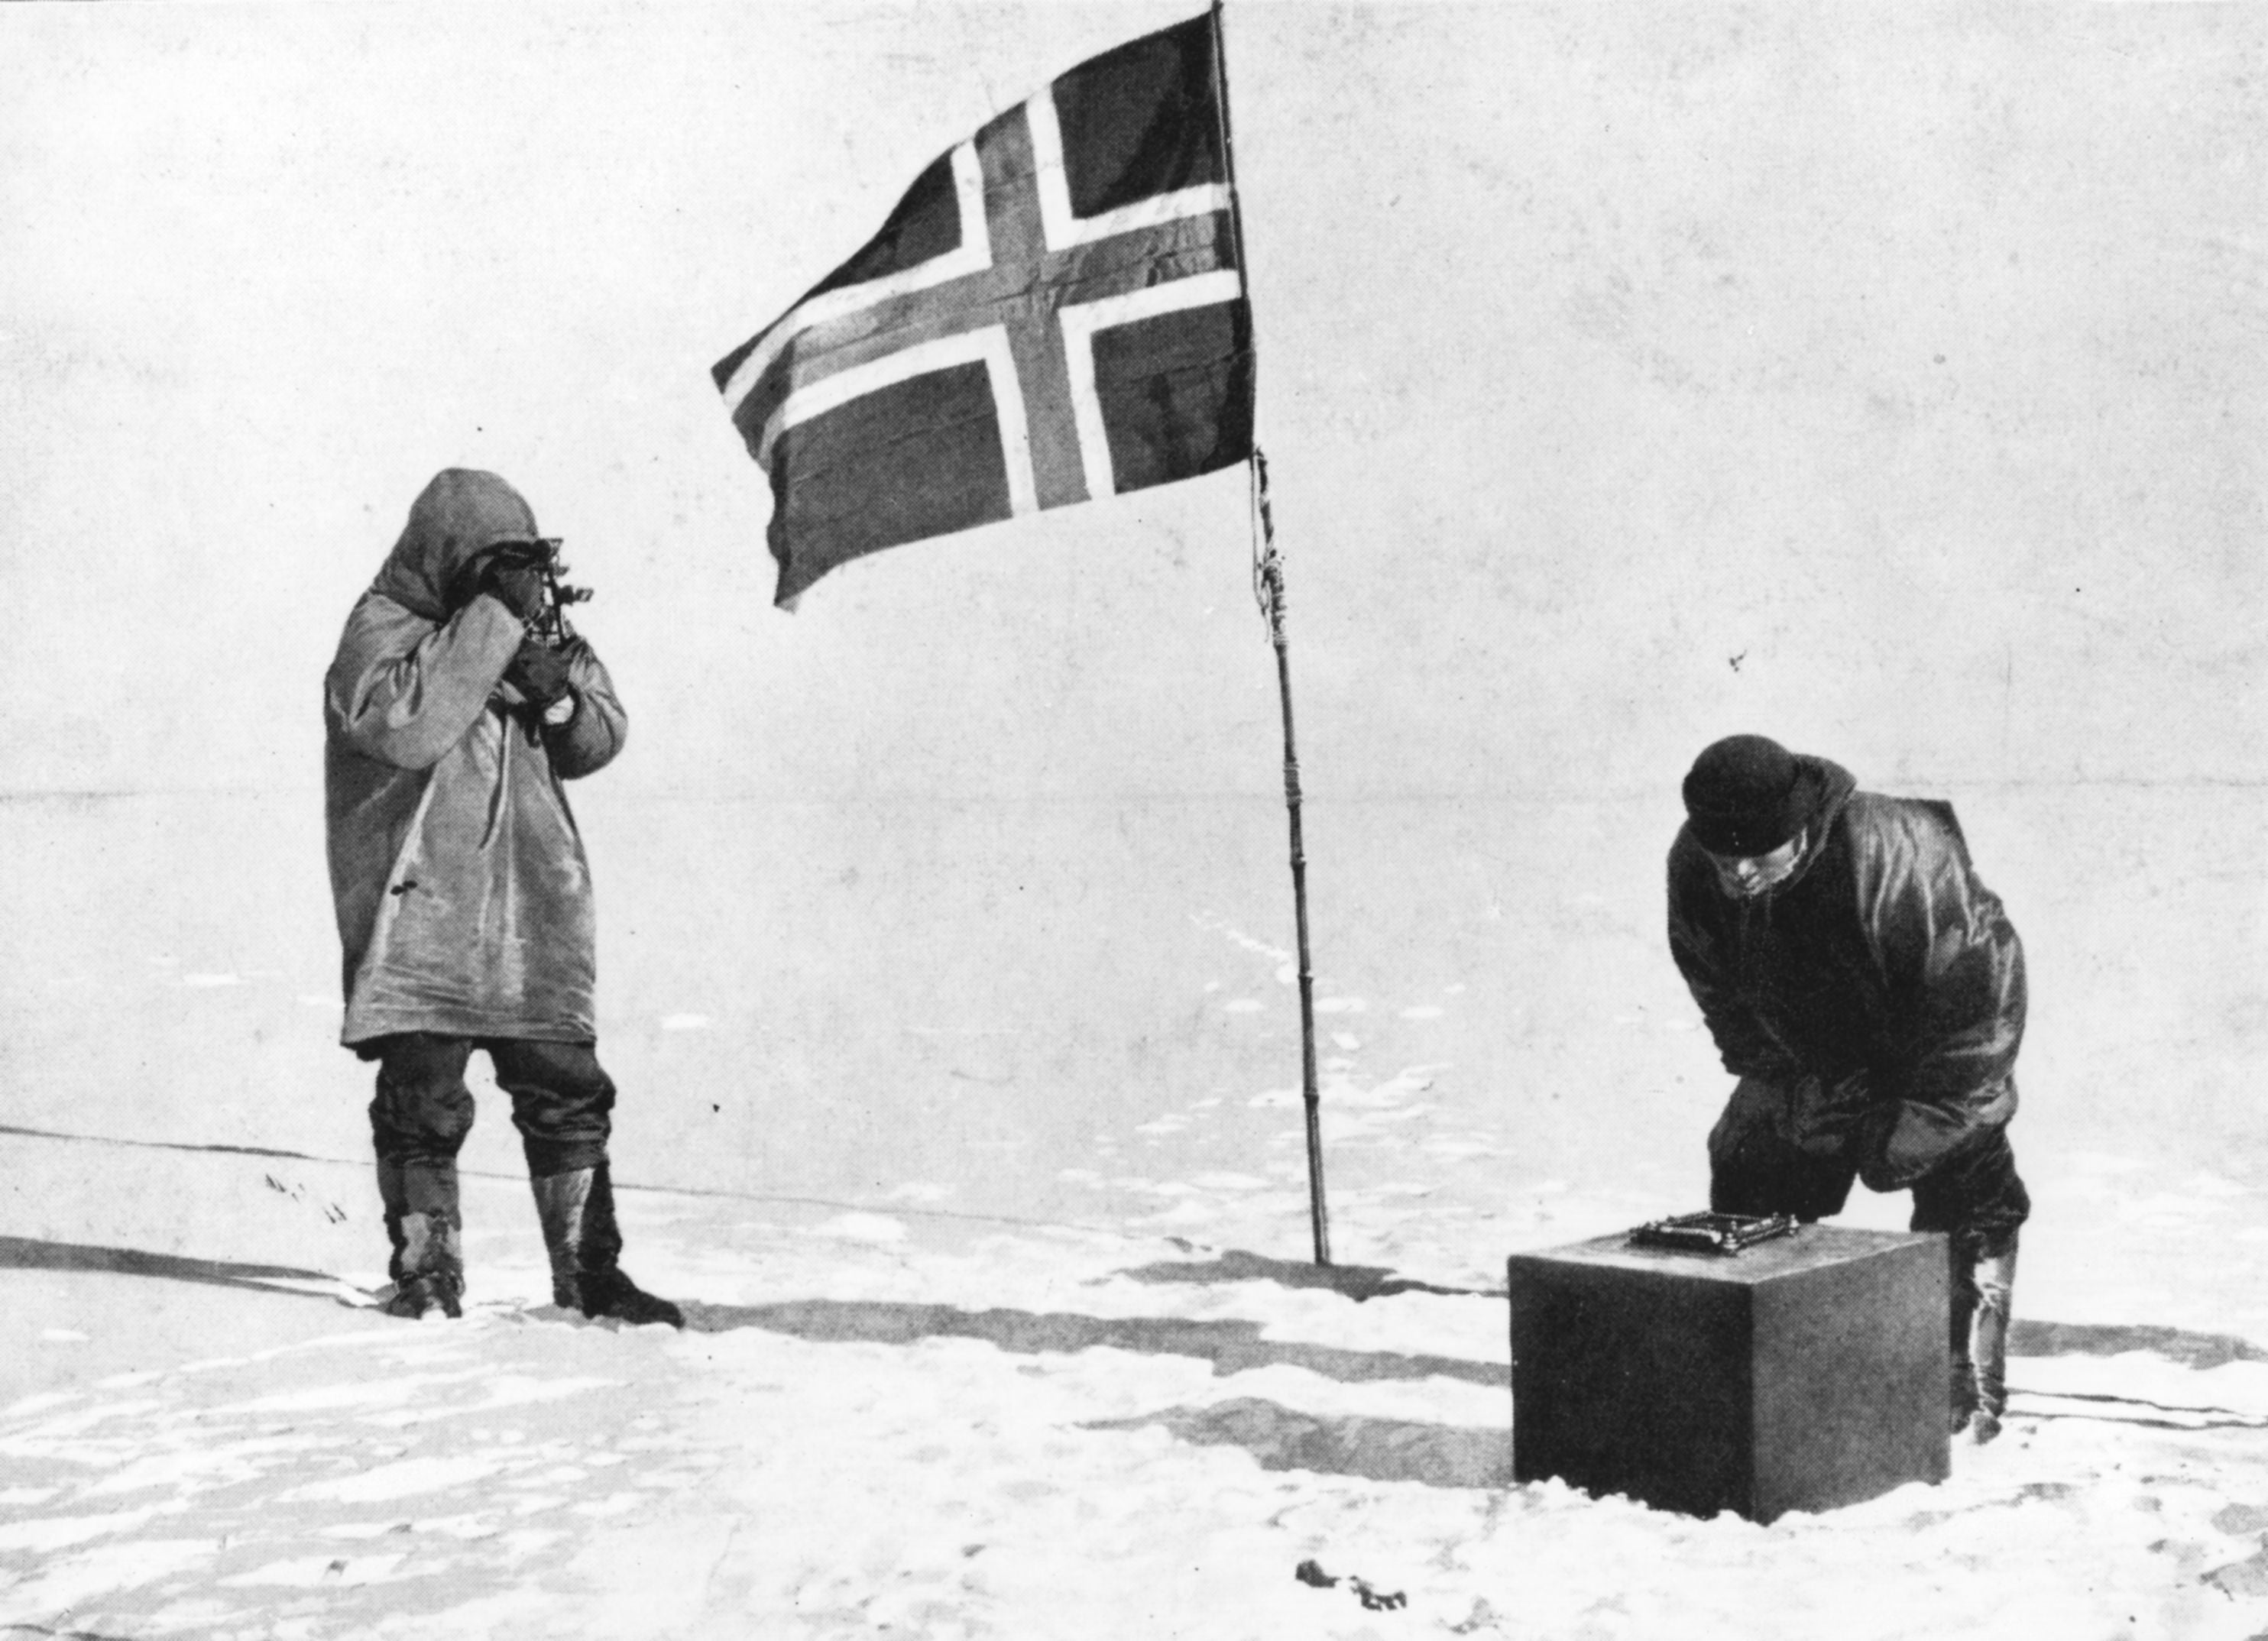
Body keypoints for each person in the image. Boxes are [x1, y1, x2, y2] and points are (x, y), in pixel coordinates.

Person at [323, 468, 682, 1327]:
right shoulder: (384, 629)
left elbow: (597, 737)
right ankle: (427, 1274)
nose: (514, 578)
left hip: (531, 906)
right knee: (423, 1099)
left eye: (522, 563)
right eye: (495, 562)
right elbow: (403, 725)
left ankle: (590, 1273)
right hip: (426, 911)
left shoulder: (530, 624)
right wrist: (494, 627)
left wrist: (555, 690)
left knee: (568, 1089)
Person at [1666, 733, 2029, 1439]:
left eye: (1759, 854)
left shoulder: (1893, 852)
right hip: (1813, 1054)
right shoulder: (1695, 862)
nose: (1739, 873)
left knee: (1970, 1191)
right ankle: (1771, 1366)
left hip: (1936, 1050)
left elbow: (1977, 996)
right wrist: (1785, 1090)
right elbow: (1717, 986)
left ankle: (1964, 1386)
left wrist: (1926, 1118)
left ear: (1800, 828)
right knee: (1747, 1163)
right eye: (1724, 857)